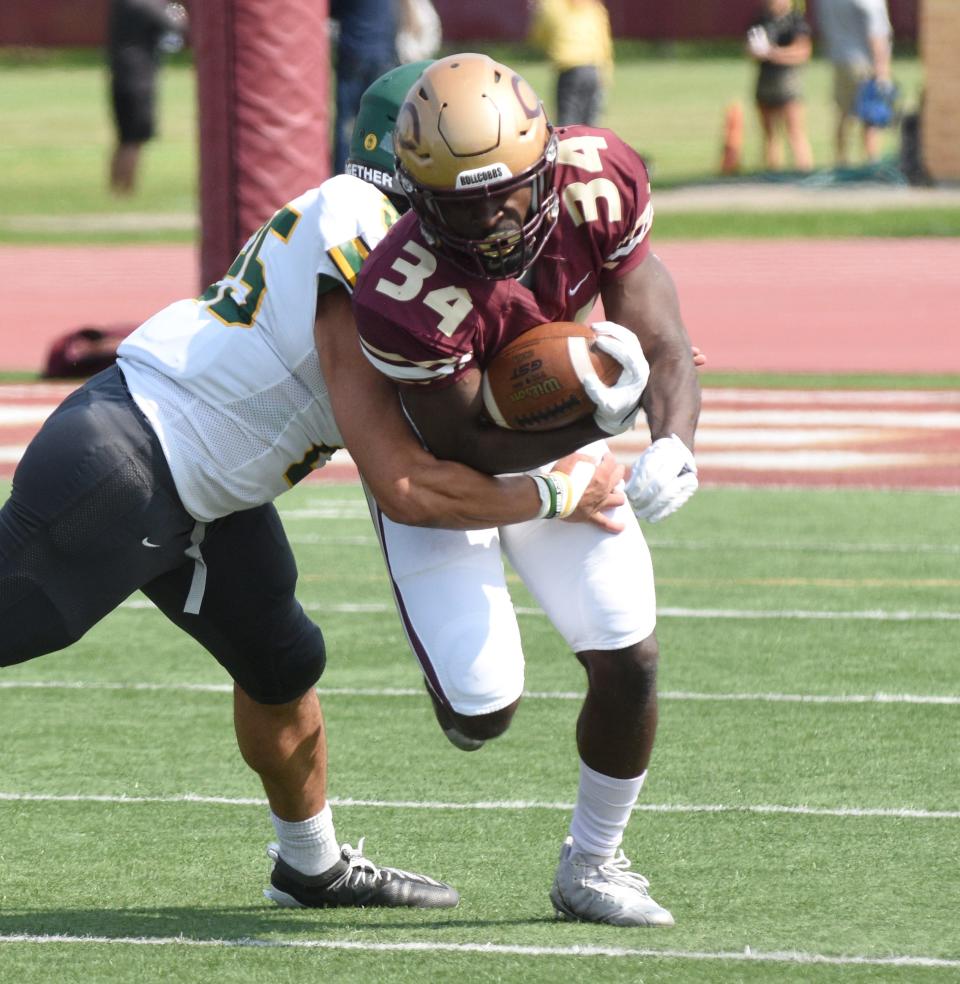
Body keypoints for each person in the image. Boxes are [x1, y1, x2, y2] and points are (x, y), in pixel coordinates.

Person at [0, 60, 630, 913]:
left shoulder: (397, 235)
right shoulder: (364, 235)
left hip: (209, 489)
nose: (488, 214)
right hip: (129, 461)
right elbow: (408, 482)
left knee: (283, 661)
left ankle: (310, 864)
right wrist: (561, 490)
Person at [352, 53, 701, 927]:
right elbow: (464, 439)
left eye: (506, 189)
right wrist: (599, 419)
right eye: (463, 203)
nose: (494, 216)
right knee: (483, 713)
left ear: (548, 160)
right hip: (452, 468)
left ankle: (594, 861)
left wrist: (671, 443)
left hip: (551, 430)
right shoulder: (399, 286)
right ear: (418, 198)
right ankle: (459, 693)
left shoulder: (597, 179)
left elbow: (660, 332)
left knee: (631, 653)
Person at [107, 0, 188, 194]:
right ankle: (126, 191)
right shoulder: (143, 4)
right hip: (139, 79)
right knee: (135, 139)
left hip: (121, 74)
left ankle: (115, 189)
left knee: (124, 138)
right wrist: (180, 15)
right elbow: (174, 25)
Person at [815, 0, 894, 165]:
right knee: (870, 116)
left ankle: (841, 161)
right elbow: (876, 34)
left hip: (840, 59)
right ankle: (872, 162)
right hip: (864, 62)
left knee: (843, 114)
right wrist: (882, 70)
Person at [329, 0, 399, 176]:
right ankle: (385, 170)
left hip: (355, 55)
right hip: (383, 56)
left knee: (347, 124)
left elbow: (330, 9)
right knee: (384, 122)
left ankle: (344, 174)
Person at [746, 0, 814, 172]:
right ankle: (772, 173)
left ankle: (803, 171)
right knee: (769, 135)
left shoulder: (795, 21)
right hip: (765, 81)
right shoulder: (761, 21)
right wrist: (756, 51)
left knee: (795, 131)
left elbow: (802, 52)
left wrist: (773, 53)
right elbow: (750, 49)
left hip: (787, 83)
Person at [527, 0, 613, 126]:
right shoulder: (594, 7)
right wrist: (607, 72)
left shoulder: (552, 5)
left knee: (567, 125)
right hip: (594, 69)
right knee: (591, 125)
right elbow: (605, 43)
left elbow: (539, 36)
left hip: (570, 70)